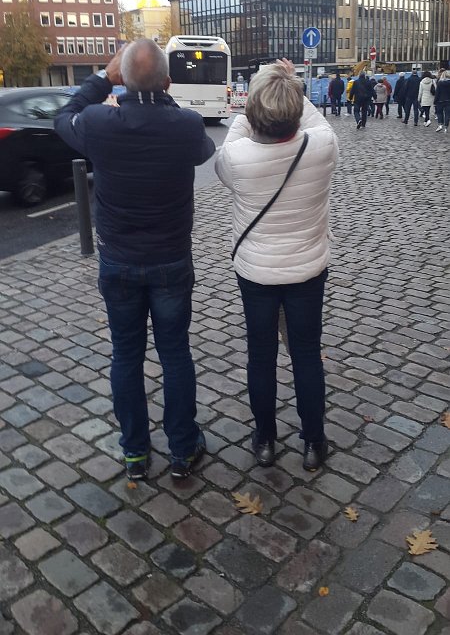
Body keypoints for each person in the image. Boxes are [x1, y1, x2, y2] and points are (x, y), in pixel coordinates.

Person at [54, 39, 216, 482]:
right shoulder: (185, 124)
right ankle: (182, 449)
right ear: (168, 82)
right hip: (170, 261)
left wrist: (102, 79)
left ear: (122, 79)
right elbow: (204, 150)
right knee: (175, 353)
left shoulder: (98, 123)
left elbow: (64, 115)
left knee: (126, 354)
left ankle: (135, 453)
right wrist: (160, 97)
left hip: (119, 262)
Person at [215, 60, 338, 472]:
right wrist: (290, 85)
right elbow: (315, 119)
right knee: (306, 354)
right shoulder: (323, 146)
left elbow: (231, 144)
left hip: (256, 273)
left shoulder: (235, 157)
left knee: (261, 356)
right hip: (307, 270)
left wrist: (255, 101)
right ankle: (314, 442)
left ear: (252, 109)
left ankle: (265, 440)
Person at [434, 68, 450, 132]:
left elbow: (437, 93)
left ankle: (440, 125)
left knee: (439, 113)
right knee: (447, 114)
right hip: (448, 100)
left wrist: (435, 101)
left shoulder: (440, 83)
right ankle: (446, 127)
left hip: (440, 100)